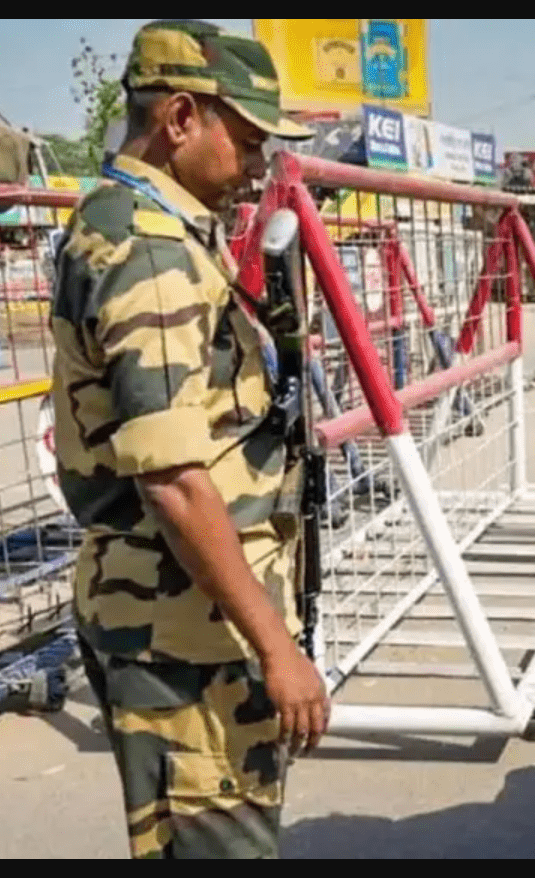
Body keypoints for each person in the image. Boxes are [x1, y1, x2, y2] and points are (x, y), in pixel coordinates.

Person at [48, 20, 328, 859]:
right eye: (248, 140)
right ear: (179, 118)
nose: (258, 166)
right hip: (184, 633)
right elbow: (172, 479)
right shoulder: (149, 252)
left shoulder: (133, 222)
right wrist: (277, 650)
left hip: (177, 614)